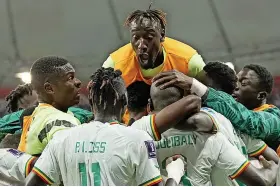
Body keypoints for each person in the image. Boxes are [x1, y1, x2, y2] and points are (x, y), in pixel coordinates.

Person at [25, 67, 163, 186]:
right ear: (124, 101)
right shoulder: (137, 139)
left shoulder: (61, 139)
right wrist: (176, 172)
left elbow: (31, 183)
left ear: (91, 101)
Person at [102, 9, 205, 124]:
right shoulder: (114, 65)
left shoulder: (189, 61)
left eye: (149, 38)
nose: (141, 46)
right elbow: (101, 109)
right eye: (136, 38)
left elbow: (211, 99)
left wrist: (192, 82)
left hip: (177, 130)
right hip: (129, 131)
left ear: (162, 35)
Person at [153, 63, 280, 151]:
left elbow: (250, 122)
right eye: (236, 81)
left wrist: (196, 85)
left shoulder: (273, 119)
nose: (236, 86)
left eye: (244, 83)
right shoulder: (227, 117)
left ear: (261, 95)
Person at [17, 56, 82, 156]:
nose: (78, 82)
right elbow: (73, 164)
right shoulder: (59, 121)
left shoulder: (36, 113)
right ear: (49, 88)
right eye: (70, 78)